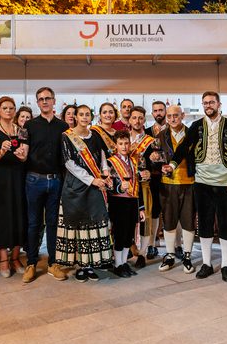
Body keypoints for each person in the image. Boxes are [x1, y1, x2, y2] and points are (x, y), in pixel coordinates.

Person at [166, 91, 227, 283]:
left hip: (225, 182)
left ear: (219, 104)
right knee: (205, 223)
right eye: (205, 103)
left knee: (225, 224)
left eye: (211, 102)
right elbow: (183, 147)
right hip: (201, 182)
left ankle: (225, 264)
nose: (208, 105)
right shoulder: (196, 125)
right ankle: (207, 264)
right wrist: (173, 164)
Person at [56, 105, 114, 282]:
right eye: (80, 114)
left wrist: (105, 173)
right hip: (76, 186)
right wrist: (91, 180)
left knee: (93, 224)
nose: (84, 117)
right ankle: (80, 266)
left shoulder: (94, 135)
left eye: (87, 114)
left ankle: (90, 264)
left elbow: (102, 156)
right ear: (75, 117)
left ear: (91, 117)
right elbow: (69, 163)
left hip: (95, 185)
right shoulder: (67, 136)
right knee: (79, 226)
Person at [22, 87, 69, 283]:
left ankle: (53, 264)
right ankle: (31, 263)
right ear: (37, 102)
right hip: (34, 180)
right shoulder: (29, 126)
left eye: (47, 98)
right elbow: (23, 152)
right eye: (40, 99)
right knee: (33, 223)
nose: (44, 102)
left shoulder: (64, 126)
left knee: (53, 224)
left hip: (56, 180)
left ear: (54, 100)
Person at [0, 96, 28, 277]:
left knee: (20, 215)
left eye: (11, 108)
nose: (9, 111)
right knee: (2, 218)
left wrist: (21, 155)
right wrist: (2, 150)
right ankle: (4, 259)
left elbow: (25, 156)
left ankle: (16, 257)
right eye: (5, 108)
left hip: (18, 176)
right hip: (0, 179)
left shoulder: (21, 130)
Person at [155, 105, 196, 274]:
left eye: (176, 115)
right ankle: (170, 255)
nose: (172, 119)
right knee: (169, 221)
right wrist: (154, 159)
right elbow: (155, 159)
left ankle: (187, 256)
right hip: (168, 183)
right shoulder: (160, 135)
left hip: (189, 181)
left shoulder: (192, 134)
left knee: (188, 220)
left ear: (183, 115)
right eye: (169, 116)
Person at [107, 130, 145, 278]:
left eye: (126, 143)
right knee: (119, 234)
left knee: (128, 234)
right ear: (115, 145)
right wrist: (118, 187)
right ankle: (118, 264)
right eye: (120, 143)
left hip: (132, 201)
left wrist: (141, 207)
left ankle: (124, 263)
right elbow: (108, 185)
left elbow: (138, 186)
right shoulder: (111, 162)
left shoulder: (133, 161)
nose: (124, 146)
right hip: (118, 201)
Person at [129, 106, 157, 268]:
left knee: (145, 219)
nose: (137, 121)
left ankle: (142, 254)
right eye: (134, 117)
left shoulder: (150, 141)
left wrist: (150, 172)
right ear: (129, 120)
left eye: (140, 118)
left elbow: (158, 164)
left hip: (144, 186)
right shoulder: (123, 139)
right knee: (127, 220)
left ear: (144, 120)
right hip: (126, 187)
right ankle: (129, 248)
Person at [147, 101, 168, 259]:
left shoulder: (173, 130)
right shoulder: (147, 132)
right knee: (154, 211)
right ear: (152, 113)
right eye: (155, 110)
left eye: (161, 110)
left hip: (170, 176)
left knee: (171, 212)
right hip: (153, 177)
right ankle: (151, 245)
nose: (158, 113)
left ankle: (175, 246)